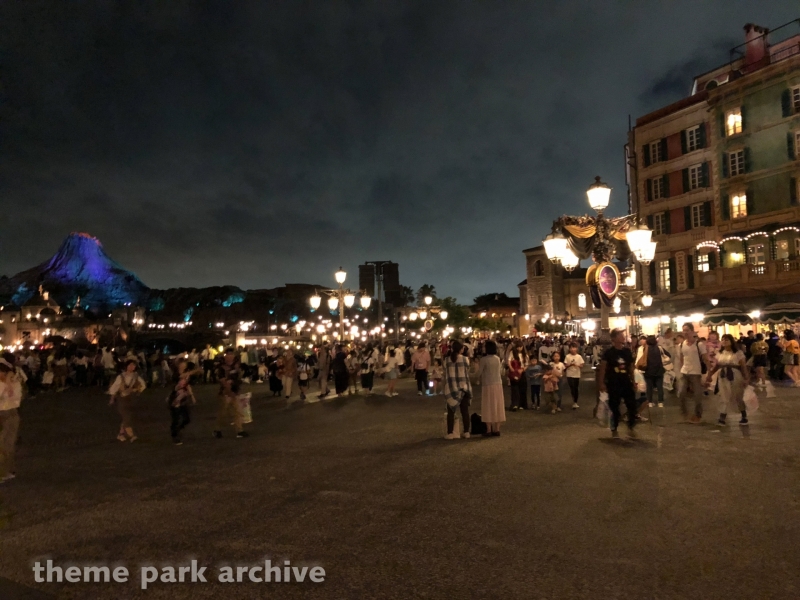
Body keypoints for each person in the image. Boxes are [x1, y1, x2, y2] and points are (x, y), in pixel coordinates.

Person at [597, 329, 638, 438]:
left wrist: (634, 381)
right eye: (620, 335)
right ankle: (614, 428)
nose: (623, 337)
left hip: (626, 382)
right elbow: (603, 369)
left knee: (632, 405)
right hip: (613, 383)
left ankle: (631, 427)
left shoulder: (627, 351)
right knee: (614, 406)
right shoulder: (609, 353)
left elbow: (630, 368)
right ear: (614, 338)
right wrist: (601, 383)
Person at [705, 333, 748, 426]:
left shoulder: (738, 353)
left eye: (727, 340)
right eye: (723, 340)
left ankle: (744, 415)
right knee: (724, 396)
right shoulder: (720, 353)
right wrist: (710, 375)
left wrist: (746, 378)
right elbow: (717, 366)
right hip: (723, 376)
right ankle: (722, 417)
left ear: (731, 341)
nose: (724, 342)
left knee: (737, 395)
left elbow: (743, 366)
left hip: (735, 375)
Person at [108, 359, 147, 442]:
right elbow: (114, 388)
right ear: (126, 366)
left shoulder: (136, 376)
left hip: (131, 399)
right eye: (130, 365)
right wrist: (112, 398)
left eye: (133, 365)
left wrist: (136, 390)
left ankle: (121, 434)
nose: (131, 367)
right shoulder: (121, 376)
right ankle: (132, 435)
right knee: (126, 417)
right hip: (122, 399)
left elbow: (143, 385)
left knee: (127, 418)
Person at [678, 323, 710, 423]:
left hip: (696, 372)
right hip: (685, 371)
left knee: (697, 395)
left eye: (687, 330)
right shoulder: (682, 344)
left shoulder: (699, 344)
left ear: (692, 331)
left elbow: (705, 359)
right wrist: (682, 368)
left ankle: (697, 415)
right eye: (684, 330)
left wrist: (709, 373)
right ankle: (684, 414)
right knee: (681, 393)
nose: (685, 332)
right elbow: (682, 358)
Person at [0, 357, 23, 482]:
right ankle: (2, 472)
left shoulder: (10, 382)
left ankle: (6, 470)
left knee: (7, 443)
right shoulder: (9, 383)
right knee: (6, 444)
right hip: (8, 413)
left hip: (8, 413)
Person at [443, 340, 472, 440]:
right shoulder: (465, 359)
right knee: (465, 411)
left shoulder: (447, 360)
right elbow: (467, 369)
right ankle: (466, 432)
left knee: (451, 412)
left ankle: (450, 433)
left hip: (451, 388)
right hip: (463, 387)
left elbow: (445, 371)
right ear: (461, 349)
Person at [477, 340, 505, 436]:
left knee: (487, 406)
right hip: (498, 384)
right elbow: (500, 371)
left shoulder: (484, 360)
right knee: (498, 405)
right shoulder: (497, 359)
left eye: (484, 346)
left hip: (487, 384)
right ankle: (497, 429)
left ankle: (488, 429)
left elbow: (479, 373)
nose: (483, 348)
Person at [214, 371, 247, 439]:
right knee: (223, 413)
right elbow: (223, 381)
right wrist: (229, 391)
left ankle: (239, 430)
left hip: (234, 392)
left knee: (238, 411)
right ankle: (217, 429)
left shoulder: (236, 369)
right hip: (226, 393)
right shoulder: (223, 369)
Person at [168, 369, 197, 445]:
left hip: (182, 403)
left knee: (187, 419)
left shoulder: (186, 385)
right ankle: (175, 436)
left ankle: (178, 429)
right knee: (176, 420)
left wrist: (192, 397)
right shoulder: (179, 383)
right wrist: (196, 370)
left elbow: (189, 391)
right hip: (175, 404)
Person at [638, 335, 666, 408]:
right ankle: (660, 402)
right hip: (659, 370)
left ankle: (650, 402)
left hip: (649, 371)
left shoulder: (646, 349)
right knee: (660, 387)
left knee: (649, 387)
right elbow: (668, 355)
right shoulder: (659, 348)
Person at [563, 344, 585, 410]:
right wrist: (570, 365)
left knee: (576, 387)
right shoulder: (567, 356)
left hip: (576, 374)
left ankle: (575, 401)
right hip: (569, 374)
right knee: (572, 387)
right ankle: (574, 399)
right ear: (569, 349)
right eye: (571, 348)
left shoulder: (579, 356)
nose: (573, 349)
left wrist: (577, 365)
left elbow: (582, 365)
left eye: (574, 348)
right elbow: (565, 365)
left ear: (576, 348)